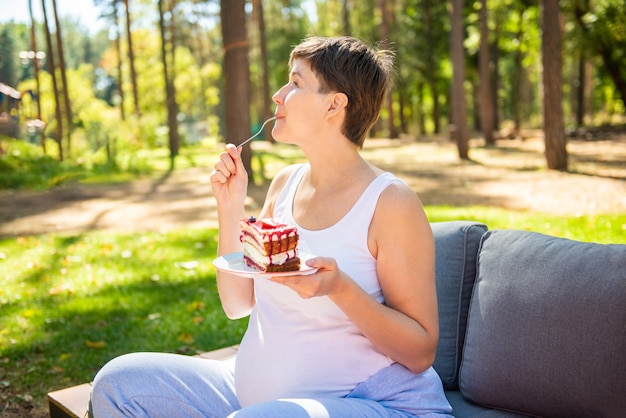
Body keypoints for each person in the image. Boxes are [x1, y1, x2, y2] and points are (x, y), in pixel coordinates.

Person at [89, 35, 453, 418]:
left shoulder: (391, 203)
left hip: (374, 404)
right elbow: (236, 304)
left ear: (334, 104)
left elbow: (420, 351)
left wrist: (339, 288)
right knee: (118, 383)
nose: (279, 95)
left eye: (295, 83)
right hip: (250, 401)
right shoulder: (284, 184)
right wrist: (229, 208)